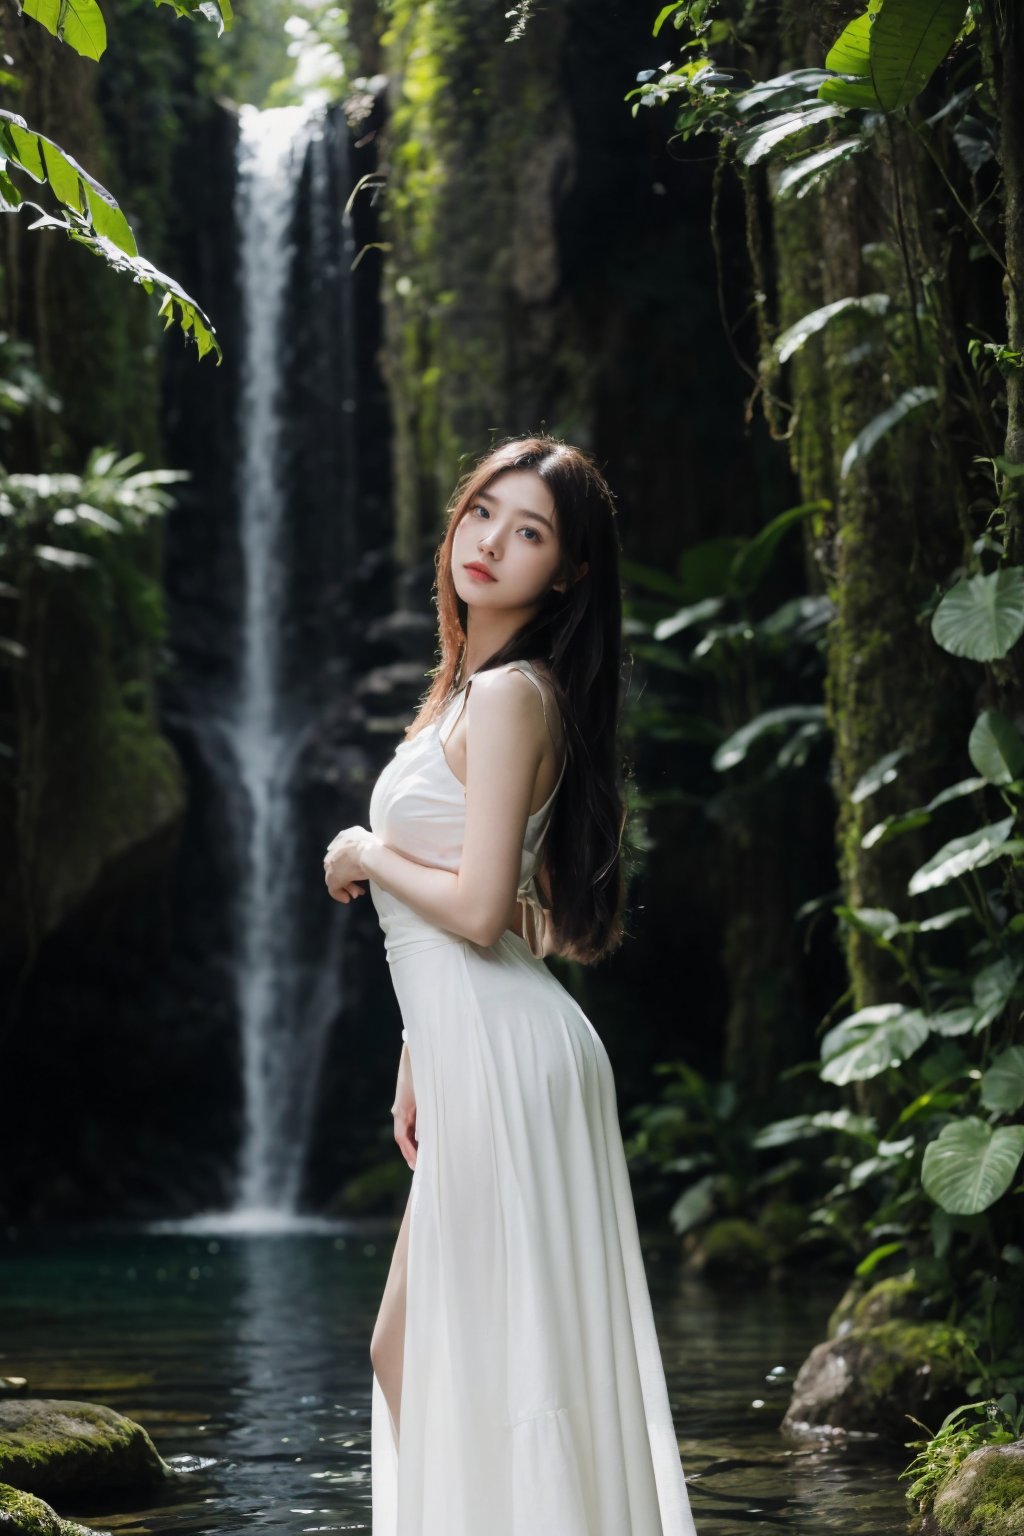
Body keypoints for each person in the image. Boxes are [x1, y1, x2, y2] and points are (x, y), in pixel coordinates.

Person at [323, 434, 699, 1536]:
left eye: (528, 531)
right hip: (479, 1042)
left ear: (570, 572)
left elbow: (479, 908)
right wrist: (414, 1055)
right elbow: (513, 914)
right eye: (483, 511)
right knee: (421, 1350)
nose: (490, 541)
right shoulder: (478, 693)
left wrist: (360, 851)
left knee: (493, 1364)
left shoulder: (510, 697)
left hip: (508, 1051)